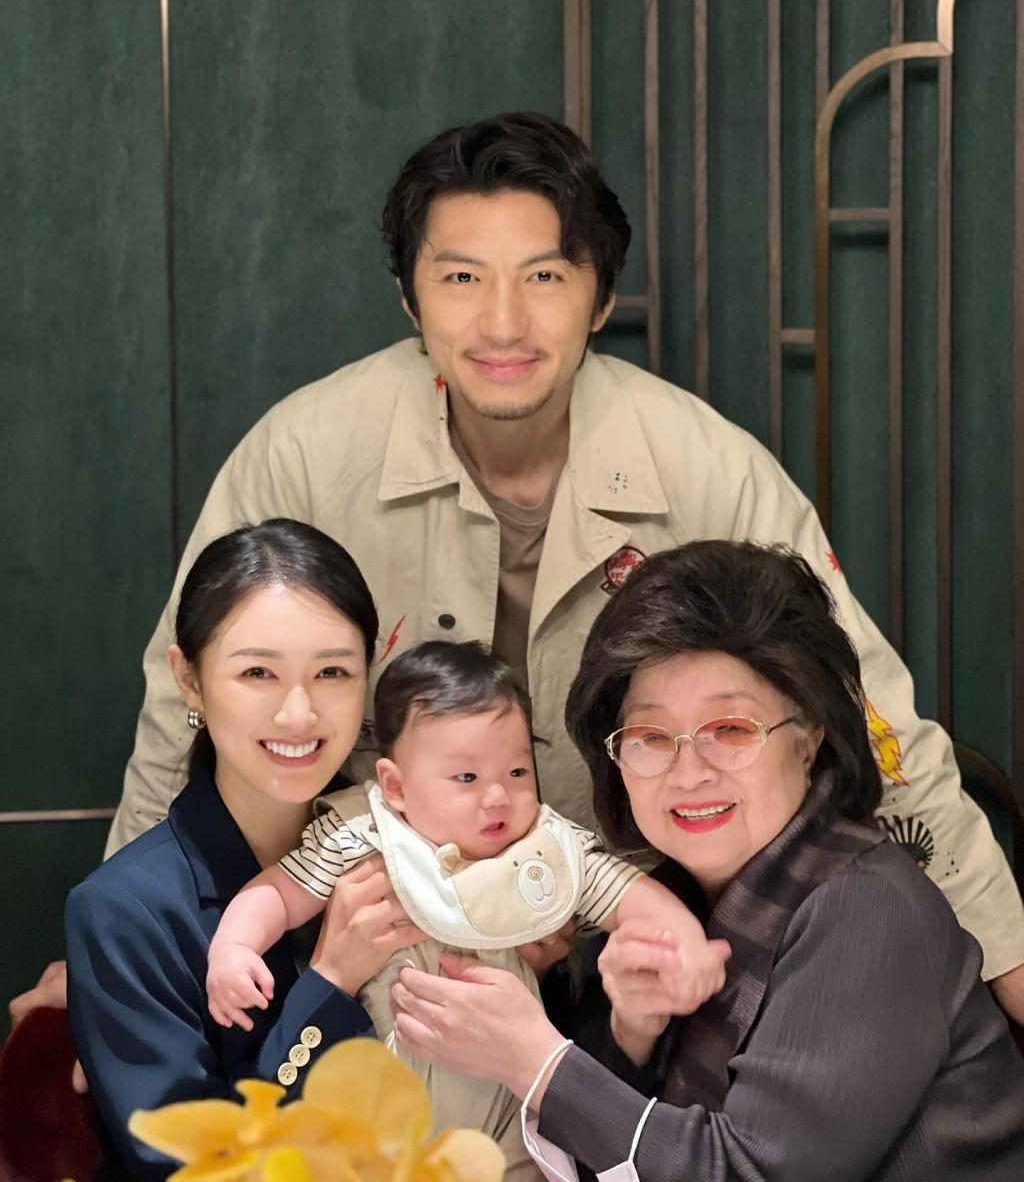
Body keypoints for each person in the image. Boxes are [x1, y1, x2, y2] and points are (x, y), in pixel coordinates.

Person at [27, 110, 1020, 1020]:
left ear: (600, 297)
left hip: (647, 960)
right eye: (461, 278)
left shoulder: (708, 468)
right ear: (409, 296)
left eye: (544, 276)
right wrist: (116, 966)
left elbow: (873, 725)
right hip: (372, 963)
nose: (502, 322)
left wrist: (1009, 964)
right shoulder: (303, 457)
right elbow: (183, 718)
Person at [389, 541, 1024, 1181]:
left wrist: (533, 1060)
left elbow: (753, 1171)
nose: (689, 771)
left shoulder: (869, 908)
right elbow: (595, 1153)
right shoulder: (664, 899)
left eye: (731, 730)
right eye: (650, 737)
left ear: (809, 739)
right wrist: (634, 1029)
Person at [206, 640, 728, 1177]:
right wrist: (235, 947)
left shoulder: (544, 851)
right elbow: (279, 893)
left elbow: (632, 897)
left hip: (508, 1114)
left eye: (517, 772)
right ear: (396, 786)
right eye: (467, 778)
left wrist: (684, 944)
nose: (498, 796)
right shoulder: (365, 838)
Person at [64, 520, 429, 1179]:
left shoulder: (421, 844)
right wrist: (330, 981)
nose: (299, 714)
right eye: (258, 672)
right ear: (189, 679)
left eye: (332, 672)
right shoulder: (123, 913)